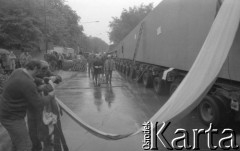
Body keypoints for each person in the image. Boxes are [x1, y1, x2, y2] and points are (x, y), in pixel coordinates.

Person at [0, 60, 54, 151]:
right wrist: (50, 95)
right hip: (12, 117)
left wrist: (41, 83)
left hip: (6, 112)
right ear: (36, 68)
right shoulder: (27, 82)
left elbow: (30, 82)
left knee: (16, 143)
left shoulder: (19, 71)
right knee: (26, 146)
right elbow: (39, 104)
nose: (40, 73)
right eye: (40, 70)